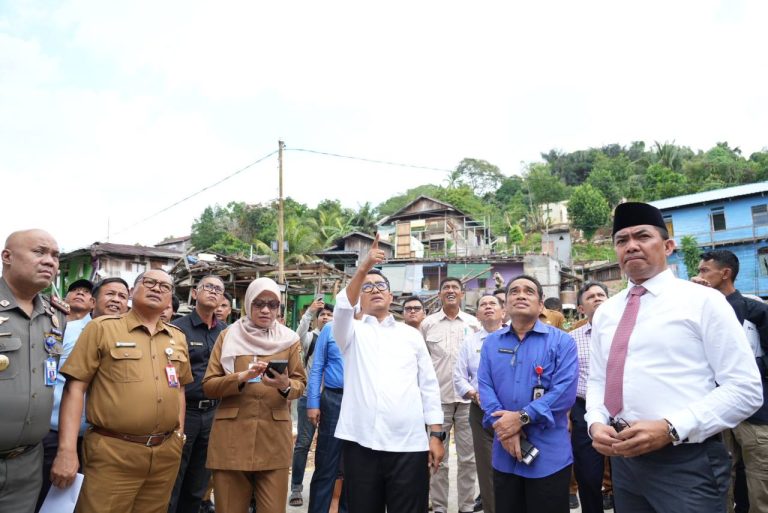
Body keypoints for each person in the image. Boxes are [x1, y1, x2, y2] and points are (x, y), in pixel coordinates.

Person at [585, 202, 763, 513]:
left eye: (642, 236)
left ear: (668, 245)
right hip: (624, 461)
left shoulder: (704, 302)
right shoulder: (607, 313)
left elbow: (745, 390)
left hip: (687, 462)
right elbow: (599, 379)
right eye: (622, 240)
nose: (631, 246)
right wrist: (595, 423)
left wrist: (671, 427)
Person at [51, 270, 192, 513]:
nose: (157, 288)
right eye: (150, 282)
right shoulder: (101, 328)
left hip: (164, 454)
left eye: (165, 286)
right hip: (113, 452)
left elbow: (179, 388)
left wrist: (179, 436)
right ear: (133, 292)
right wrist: (67, 450)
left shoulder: (177, 337)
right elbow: (75, 389)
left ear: (170, 299)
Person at [332, 234, 444, 513]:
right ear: (360, 298)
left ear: (391, 296)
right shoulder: (350, 333)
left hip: (409, 443)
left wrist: (436, 434)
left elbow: (428, 385)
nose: (375, 289)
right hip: (361, 443)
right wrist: (363, 268)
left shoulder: (411, 335)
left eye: (381, 285)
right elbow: (343, 306)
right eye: (367, 287)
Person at [202, 277, 307, 513]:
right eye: (259, 303)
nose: (266, 310)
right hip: (232, 438)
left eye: (272, 304)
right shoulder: (228, 336)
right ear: (248, 304)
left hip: (273, 439)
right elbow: (209, 385)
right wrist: (240, 378)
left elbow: (301, 384)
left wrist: (284, 384)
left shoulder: (289, 339)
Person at [478, 274, 578, 513]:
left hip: (548, 455)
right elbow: (485, 387)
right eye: (514, 291)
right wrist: (506, 428)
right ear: (506, 305)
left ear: (541, 304)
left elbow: (563, 392)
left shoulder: (562, 342)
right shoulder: (491, 343)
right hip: (505, 453)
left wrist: (520, 418)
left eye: (529, 291)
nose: (521, 295)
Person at [694, 249, 768, 513]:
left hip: (756, 414)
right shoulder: (695, 311)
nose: (698, 276)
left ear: (725, 273)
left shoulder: (755, 310)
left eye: (705, 270)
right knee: (719, 478)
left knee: (761, 481)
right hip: (715, 409)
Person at [0, 229, 66, 512]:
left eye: (55, 256)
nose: (50, 261)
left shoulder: (56, 315)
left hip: (27, 464)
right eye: (39, 252)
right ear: (7, 257)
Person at [421, 277, 481, 513]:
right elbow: (422, 363)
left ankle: (466, 507)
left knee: (469, 459)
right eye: (446, 288)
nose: (451, 291)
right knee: (438, 460)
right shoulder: (428, 324)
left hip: (468, 400)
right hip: (438, 402)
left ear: (462, 294)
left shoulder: (474, 324)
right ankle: (439, 508)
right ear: (439, 294)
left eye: (455, 288)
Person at [168, 276, 228, 513]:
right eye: (208, 287)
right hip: (186, 412)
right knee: (174, 478)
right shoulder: (178, 328)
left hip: (213, 413)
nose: (213, 292)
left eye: (219, 290)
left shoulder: (226, 332)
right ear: (194, 293)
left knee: (199, 483)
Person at [453, 294, 505, 513]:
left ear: (504, 311)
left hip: (512, 409)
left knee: (517, 464)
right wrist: (473, 394)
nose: (488, 307)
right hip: (481, 411)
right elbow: (459, 377)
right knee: (487, 467)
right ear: (477, 315)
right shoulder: (470, 342)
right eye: (483, 304)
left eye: (493, 303)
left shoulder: (515, 337)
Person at [568, 281, 609, 513]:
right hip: (583, 409)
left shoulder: (625, 332)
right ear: (581, 308)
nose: (597, 298)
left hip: (622, 408)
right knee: (588, 473)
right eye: (590, 296)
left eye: (601, 294)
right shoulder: (572, 339)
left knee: (626, 471)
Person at [290, 299, 334, 507]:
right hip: (308, 397)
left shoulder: (339, 338)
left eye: (329, 315)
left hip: (333, 399)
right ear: (316, 320)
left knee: (328, 447)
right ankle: (296, 488)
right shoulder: (310, 338)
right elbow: (296, 336)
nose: (325, 317)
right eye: (322, 315)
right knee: (303, 445)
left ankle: (327, 488)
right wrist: (309, 312)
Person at [306, 322, 348, 513]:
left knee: (357, 466)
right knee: (326, 462)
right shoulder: (330, 328)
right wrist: (313, 402)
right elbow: (317, 365)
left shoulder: (370, 328)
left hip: (362, 401)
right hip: (333, 399)